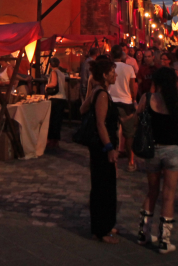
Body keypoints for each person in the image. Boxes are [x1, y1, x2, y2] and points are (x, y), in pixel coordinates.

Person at [136, 66, 178, 254]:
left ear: (157, 83)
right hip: (173, 151)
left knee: (152, 192)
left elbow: (138, 116)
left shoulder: (147, 98)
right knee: (169, 195)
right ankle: (164, 240)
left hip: (153, 150)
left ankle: (144, 233)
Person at [80, 55, 120, 243]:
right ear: (105, 75)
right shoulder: (102, 94)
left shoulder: (97, 91)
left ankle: (101, 226)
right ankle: (102, 230)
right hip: (103, 147)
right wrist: (110, 148)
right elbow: (100, 123)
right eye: (113, 72)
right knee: (104, 187)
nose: (115, 76)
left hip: (97, 147)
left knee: (100, 186)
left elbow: (82, 109)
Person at [109, 44, 139, 172]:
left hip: (111, 102)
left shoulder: (109, 68)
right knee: (129, 135)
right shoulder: (129, 68)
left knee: (112, 134)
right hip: (126, 103)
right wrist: (133, 99)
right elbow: (133, 88)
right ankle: (130, 162)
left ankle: (113, 163)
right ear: (122, 55)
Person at [45, 57, 68, 149]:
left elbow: (54, 83)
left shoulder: (53, 72)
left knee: (53, 120)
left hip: (55, 98)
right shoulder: (62, 73)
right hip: (62, 98)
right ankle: (56, 141)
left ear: (50, 65)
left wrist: (47, 85)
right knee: (58, 121)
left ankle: (51, 141)